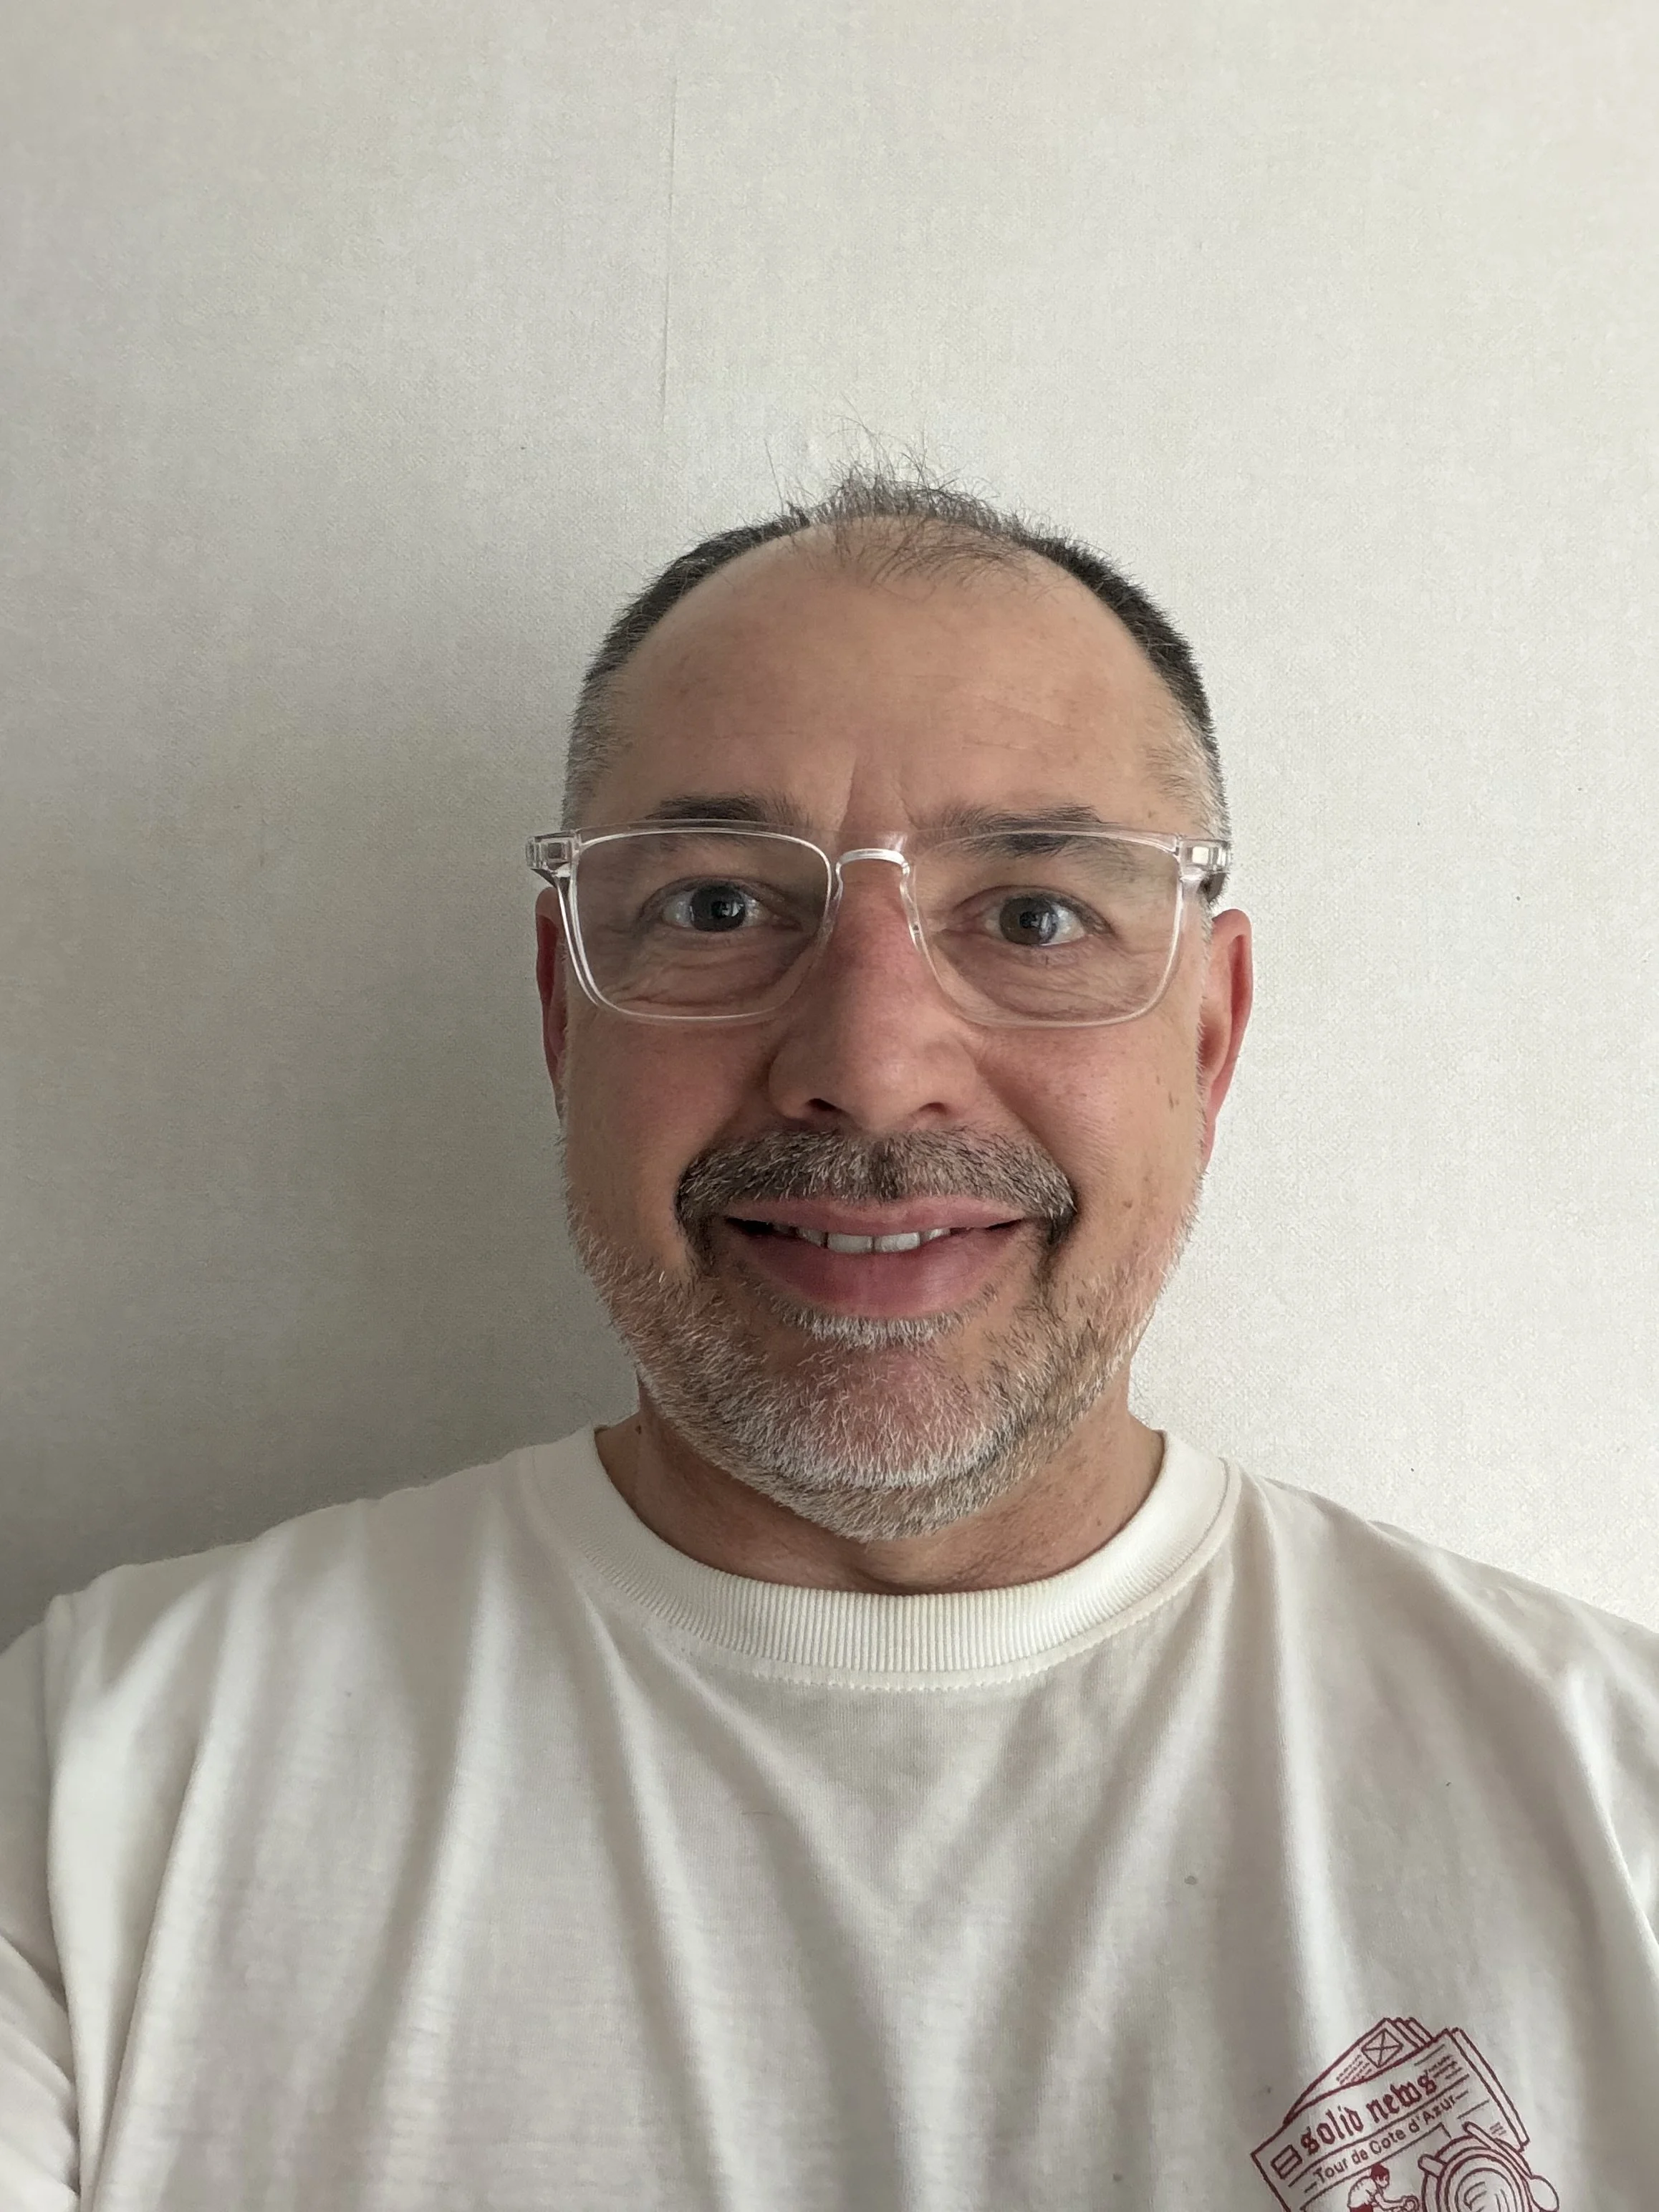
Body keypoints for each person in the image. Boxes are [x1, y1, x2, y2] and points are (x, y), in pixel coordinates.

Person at [1, 468, 1654, 2211]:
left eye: (1033, 914)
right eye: (719, 906)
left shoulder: (1613, 1810)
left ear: (1210, 1036)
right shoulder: (102, 1781)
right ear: (564, 1017)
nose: (869, 1065)